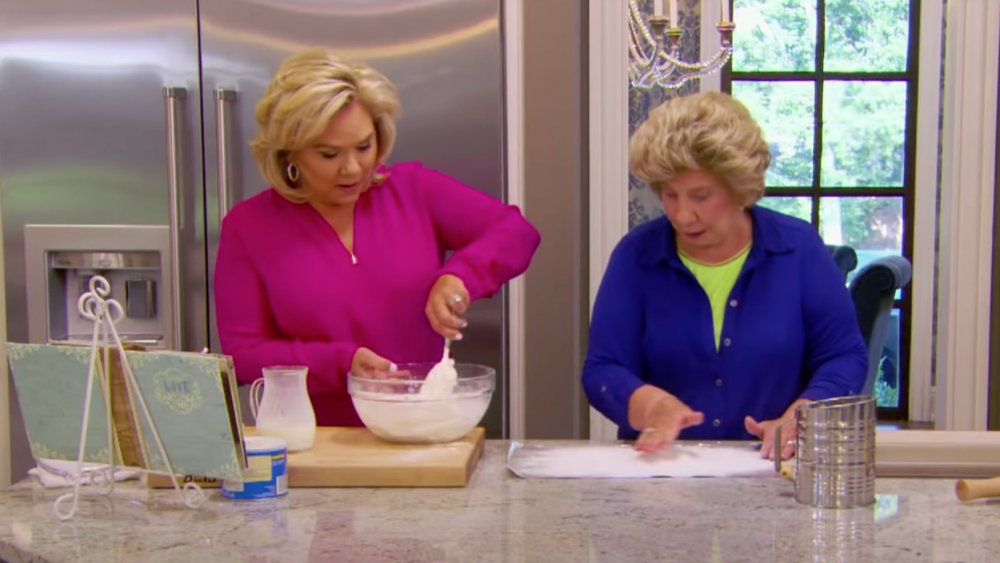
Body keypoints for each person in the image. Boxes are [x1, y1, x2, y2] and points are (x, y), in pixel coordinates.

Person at [215, 48, 540, 427]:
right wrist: (341, 364)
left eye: (364, 146)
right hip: (315, 445)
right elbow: (243, 355)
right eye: (328, 153)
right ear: (290, 153)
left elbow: (516, 232)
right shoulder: (249, 226)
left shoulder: (412, 190)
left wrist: (460, 277)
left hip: (422, 432)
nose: (352, 168)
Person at [582, 92, 866, 460]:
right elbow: (602, 369)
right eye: (670, 195)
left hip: (774, 470)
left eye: (701, 196)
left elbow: (845, 356)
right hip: (663, 476)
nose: (683, 215)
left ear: (738, 188)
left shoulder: (798, 249)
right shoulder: (635, 257)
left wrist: (800, 417)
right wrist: (649, 405)